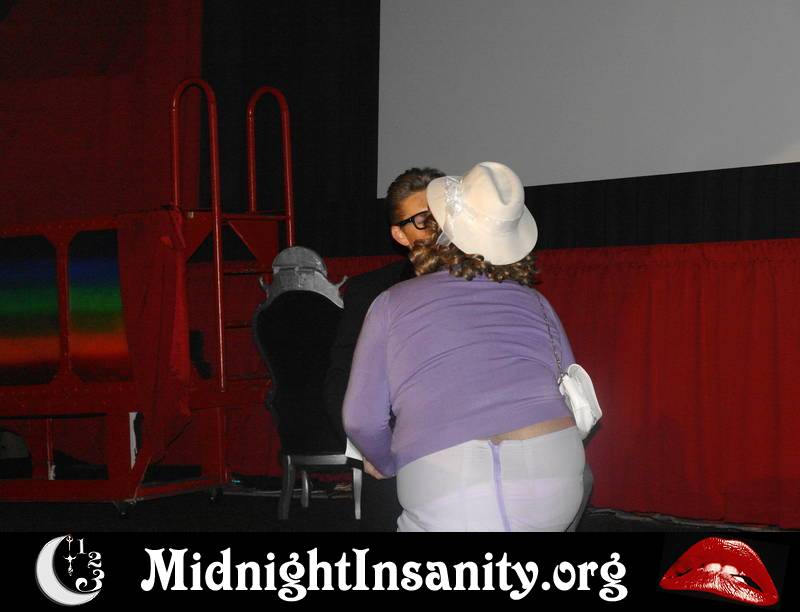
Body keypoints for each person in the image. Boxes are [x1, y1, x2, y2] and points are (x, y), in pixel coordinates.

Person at [343, 161, 592, 531]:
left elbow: (360, 419)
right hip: (555, 469)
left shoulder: (391, 303)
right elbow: (573, 395)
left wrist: (388, 462)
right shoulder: (537, 302)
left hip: (452, 480)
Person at [324, 166, 445, 531]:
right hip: (397, 452)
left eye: (443, 214)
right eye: (423, 220)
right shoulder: (372, 291)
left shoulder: (490, 283)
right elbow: (340, 378)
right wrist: (367, 448)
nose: (437, 228)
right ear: (399, 234)